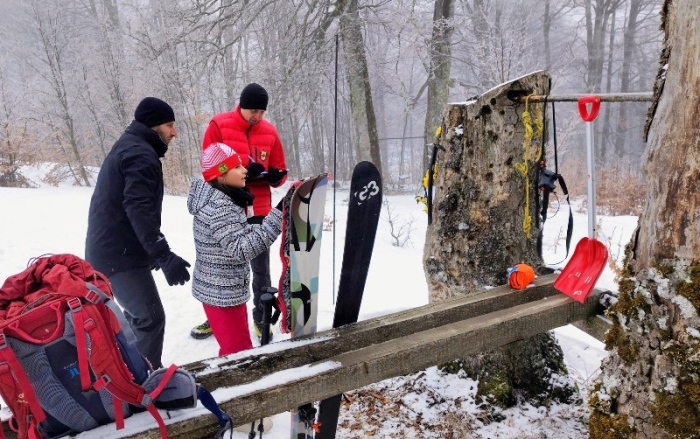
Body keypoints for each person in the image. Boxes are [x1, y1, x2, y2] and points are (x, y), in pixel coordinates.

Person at [85, 97, 191, 369]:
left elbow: (125, 208)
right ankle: (142, 388)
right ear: (154, 125)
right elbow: (138, 209)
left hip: (111, 252)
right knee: (149, 319)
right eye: (170, 125)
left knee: (136, 321)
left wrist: (152, 255)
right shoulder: (140, 155)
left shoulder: (131, 147)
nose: (174, 132)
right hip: (117, 256)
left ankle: (128, 379)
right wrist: (164, 255)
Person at [190, 83, 288, 341]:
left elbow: (279, 170)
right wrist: (245, 169)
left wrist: (276, 177)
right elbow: (209, 166)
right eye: (251, 110)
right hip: (228, 207)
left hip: (260, 206)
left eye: (261, 111)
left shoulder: (269, 131)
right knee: (219, 264)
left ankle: (260, 313)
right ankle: (217, 315)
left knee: (260, 268)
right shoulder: (219, 125)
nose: (256, 116)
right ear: (241, 105)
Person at [187, 142, 285, 355]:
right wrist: (278, 217)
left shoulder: (218, 199)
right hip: (222, 295)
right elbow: (241, 250)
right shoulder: (221, 208)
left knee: (236, 350)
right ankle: (235, 387)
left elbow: (238, 237)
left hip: (222, 290)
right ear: (221, 175)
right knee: (238, 354)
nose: (245, 171)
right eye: (237, 167)